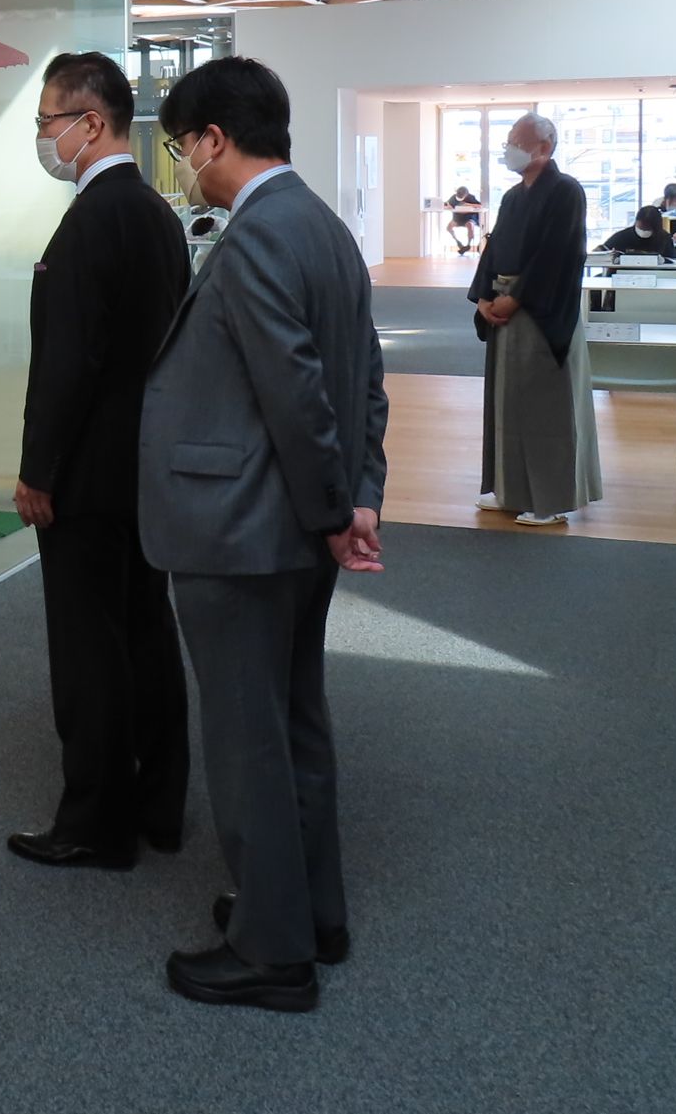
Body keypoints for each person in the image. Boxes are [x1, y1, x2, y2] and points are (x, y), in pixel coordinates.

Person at [141, 56, 388, 1014]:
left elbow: (297, 395)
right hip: (290, 523)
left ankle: (271, 950)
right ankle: (308, 908)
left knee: (247, 739)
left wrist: (334, 511)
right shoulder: (323, 225)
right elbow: (362, 379)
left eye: (182, 147)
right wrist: (355, 497)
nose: (185, 166)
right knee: (293, 723)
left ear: (212, 140)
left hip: (241, 530)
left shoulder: (251, 242)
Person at [7, 51, 191, 873]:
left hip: (85, 473)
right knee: (145, 632)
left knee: (89, 649)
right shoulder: (156, 213)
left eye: (48, 122)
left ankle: (93, 820)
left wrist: (38, 469)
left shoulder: (89, 222)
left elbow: (68, 365)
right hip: (143, 468)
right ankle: (159, 803)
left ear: (89, 123)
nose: (43, 139)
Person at [470, 113, 603, 527]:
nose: (508, 148)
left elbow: (558, 255)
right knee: (508, 404)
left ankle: (552, 499)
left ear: (544, 147)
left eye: (515, 140)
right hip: (506, 307)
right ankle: (512, 492)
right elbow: (492, 251)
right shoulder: (512, 197)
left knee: (547, 406)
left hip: (542, 312)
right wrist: (483, 298)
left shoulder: (566, 192)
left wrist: (518, 298)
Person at [597, 205, 675, 259]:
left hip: (657, 275)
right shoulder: (623, 236)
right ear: (636, 221)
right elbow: (602, 250)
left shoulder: (664, 238)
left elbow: (673, 260)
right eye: (640, 227)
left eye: (646, 229)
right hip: (624, 274)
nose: (643, 231)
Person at [446, 185, 482, 255]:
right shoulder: (454, 197)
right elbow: (447, 203)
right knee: (448, 227)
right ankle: (458, 242)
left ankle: (468, 244)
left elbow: (479, 205)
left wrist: (467, 204)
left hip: (468, 217)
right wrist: (448, 206)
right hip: (457, 218)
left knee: (470, 225)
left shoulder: (471, 197)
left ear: (466, 194)